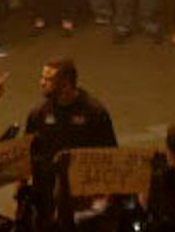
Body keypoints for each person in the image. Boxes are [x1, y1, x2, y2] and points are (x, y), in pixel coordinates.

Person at [23, 56, 118, 200]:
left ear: (65, 84)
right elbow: (27, 154)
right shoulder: (38, 114)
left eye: (48, 80)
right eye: (42, 78)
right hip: (47, 192)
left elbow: (110, 154)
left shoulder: (94, 113)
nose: (41, 83)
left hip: (83, 191)